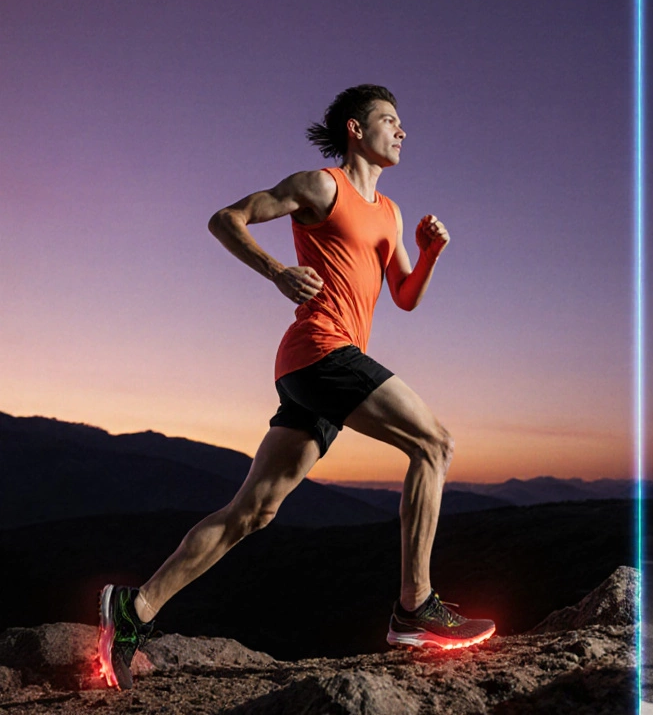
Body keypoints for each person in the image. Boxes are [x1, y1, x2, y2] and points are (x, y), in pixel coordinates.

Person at [98, 84, 495, 690]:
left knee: (253, 512)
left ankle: (135, 609)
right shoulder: (320, 186)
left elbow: (404, 297)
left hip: (318, 370)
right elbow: (225, 219)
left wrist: (429, 253)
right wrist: (277, 271)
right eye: (389, 120)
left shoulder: (390, 213)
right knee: (434, 444)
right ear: (356, 130)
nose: (402, 131)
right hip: (320, 352)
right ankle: (415, 607)